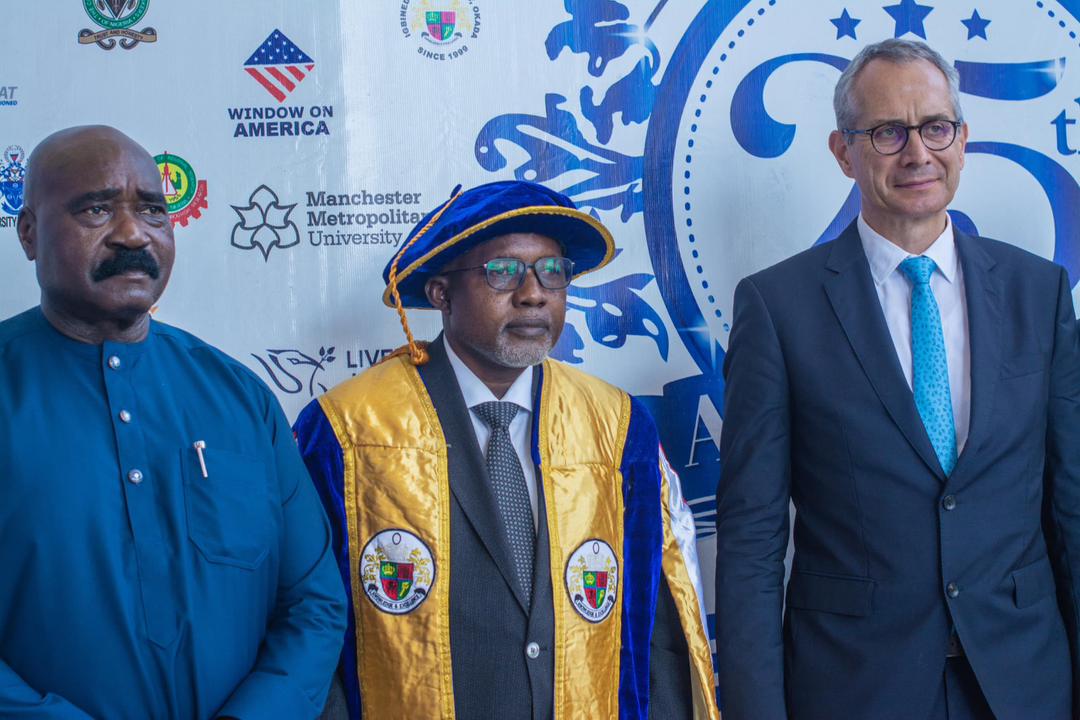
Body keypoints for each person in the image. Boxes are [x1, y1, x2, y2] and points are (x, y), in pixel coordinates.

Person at [715, 39, 1080, 720]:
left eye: (936, 127)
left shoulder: (1040, 292)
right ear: (843, 152)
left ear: (962, 140)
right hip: (854, 686)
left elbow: (1071, 507)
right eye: (887, 132)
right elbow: (751, 539)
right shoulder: (777, 307)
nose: (918, 154)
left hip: (1024, 682)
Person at [294, 180, 719, 719]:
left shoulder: (613, 426)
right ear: (441, 293)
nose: (533, 293)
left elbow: (655, 625)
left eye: (552, 271)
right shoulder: (349, 429)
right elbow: (308, 623)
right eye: (503, 271)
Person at [1, 125, 347, 719]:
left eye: (152, 211)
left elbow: (314, 604)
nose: (133, 233)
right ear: (29, 232)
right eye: (96, 209)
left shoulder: (240, 398)